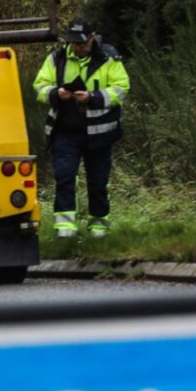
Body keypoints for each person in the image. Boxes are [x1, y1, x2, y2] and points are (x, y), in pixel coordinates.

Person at [32, 17, 130, 238]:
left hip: (99, 134)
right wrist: (55, 93)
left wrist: (92, 97)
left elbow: (121, 88)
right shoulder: (57, 58)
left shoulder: (108, 58)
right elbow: (39, 85)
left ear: (92, 38)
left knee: (98, 181)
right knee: (65, 177)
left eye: (82, 43)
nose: (78, 47)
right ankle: (65, 232)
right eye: (74, 43)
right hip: (65, 132)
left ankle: (98, 229)